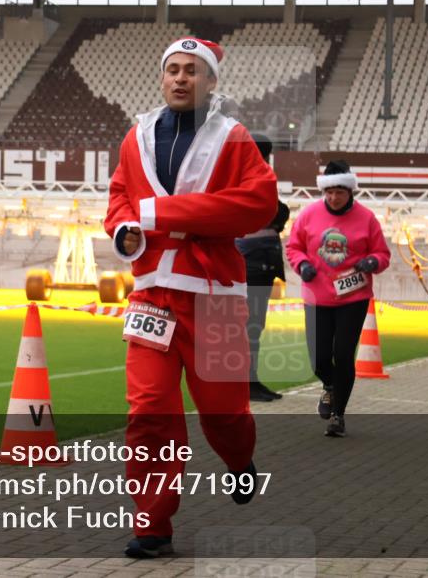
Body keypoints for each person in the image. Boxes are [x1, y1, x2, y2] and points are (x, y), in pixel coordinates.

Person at [105, 36, 278, 558]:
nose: (180, 78)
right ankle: (153, 524)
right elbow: (118, 196)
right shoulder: (135, 137)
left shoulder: (236, 138)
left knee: (225, 413)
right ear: (162, 78)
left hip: (216, 297)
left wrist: (159, 215)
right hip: (152, 297)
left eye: (192, 71)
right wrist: (122, 232)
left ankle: (240, 462)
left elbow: (256, 203)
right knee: (150, 411)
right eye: (172, 70)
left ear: (212, 81)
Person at [286, 160, 391, 437]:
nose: (333, 197)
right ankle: (330, 387)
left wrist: (372, 261)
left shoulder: (367, 218)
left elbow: (383, 255)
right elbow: (293, 246)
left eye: (339, 192)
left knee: (343, 355)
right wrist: (302, 265)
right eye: (329, 192)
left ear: (350, 191)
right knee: (319, 359)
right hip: (317, 297)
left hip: (352, 299)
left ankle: (338, 415)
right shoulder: (308, 214)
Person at [235, 134, 290, 402]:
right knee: (248, 326)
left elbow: (274, 211)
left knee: (253, 325)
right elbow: (270, 211)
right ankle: (244, 383)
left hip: (260, 260)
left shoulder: (258, 177)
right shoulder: (245, 178)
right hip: (251, 260)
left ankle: (250, 381)